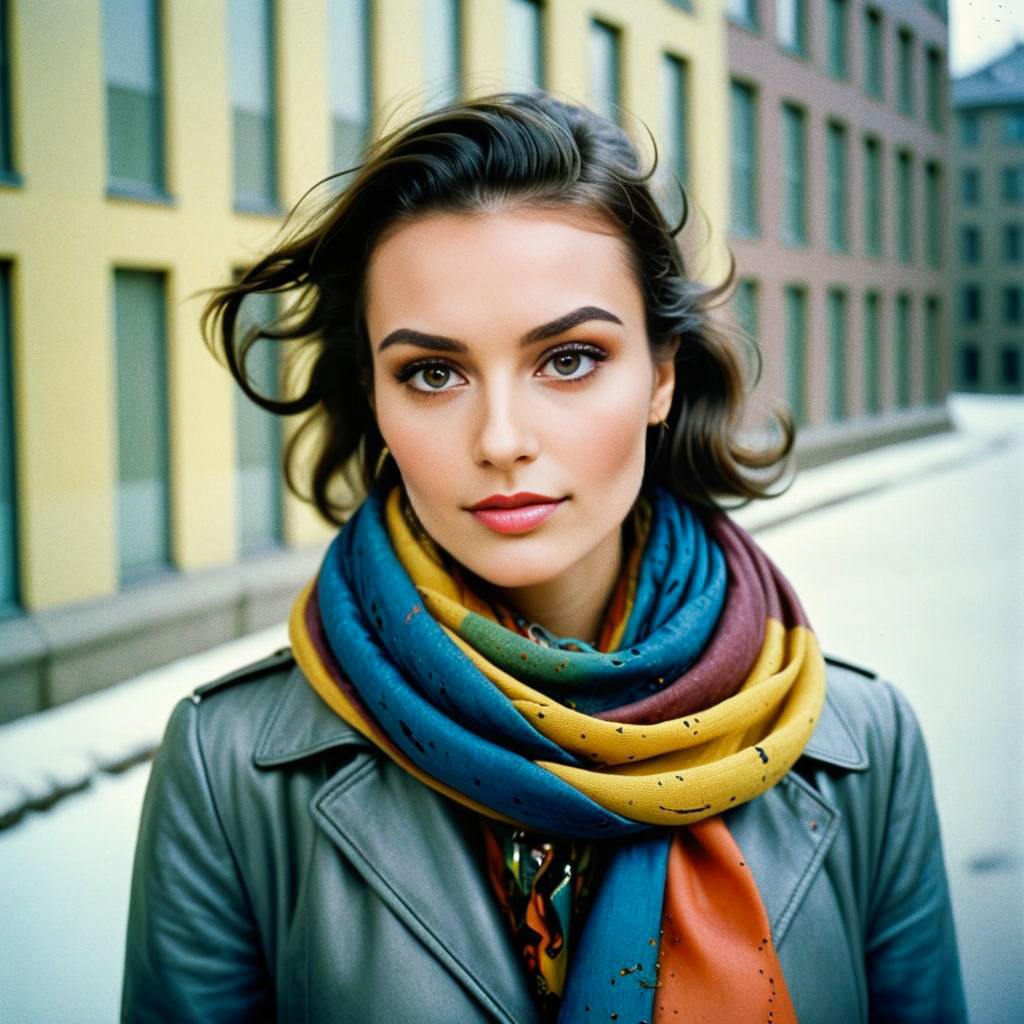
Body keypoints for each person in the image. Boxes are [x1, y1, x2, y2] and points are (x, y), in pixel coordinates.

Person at [121, 92, 965, 1023]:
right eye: (432, 372)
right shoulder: (230, 768)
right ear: (375, 398)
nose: (502, 438)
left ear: (663, 376)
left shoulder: (861, 745)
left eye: (567, 358)